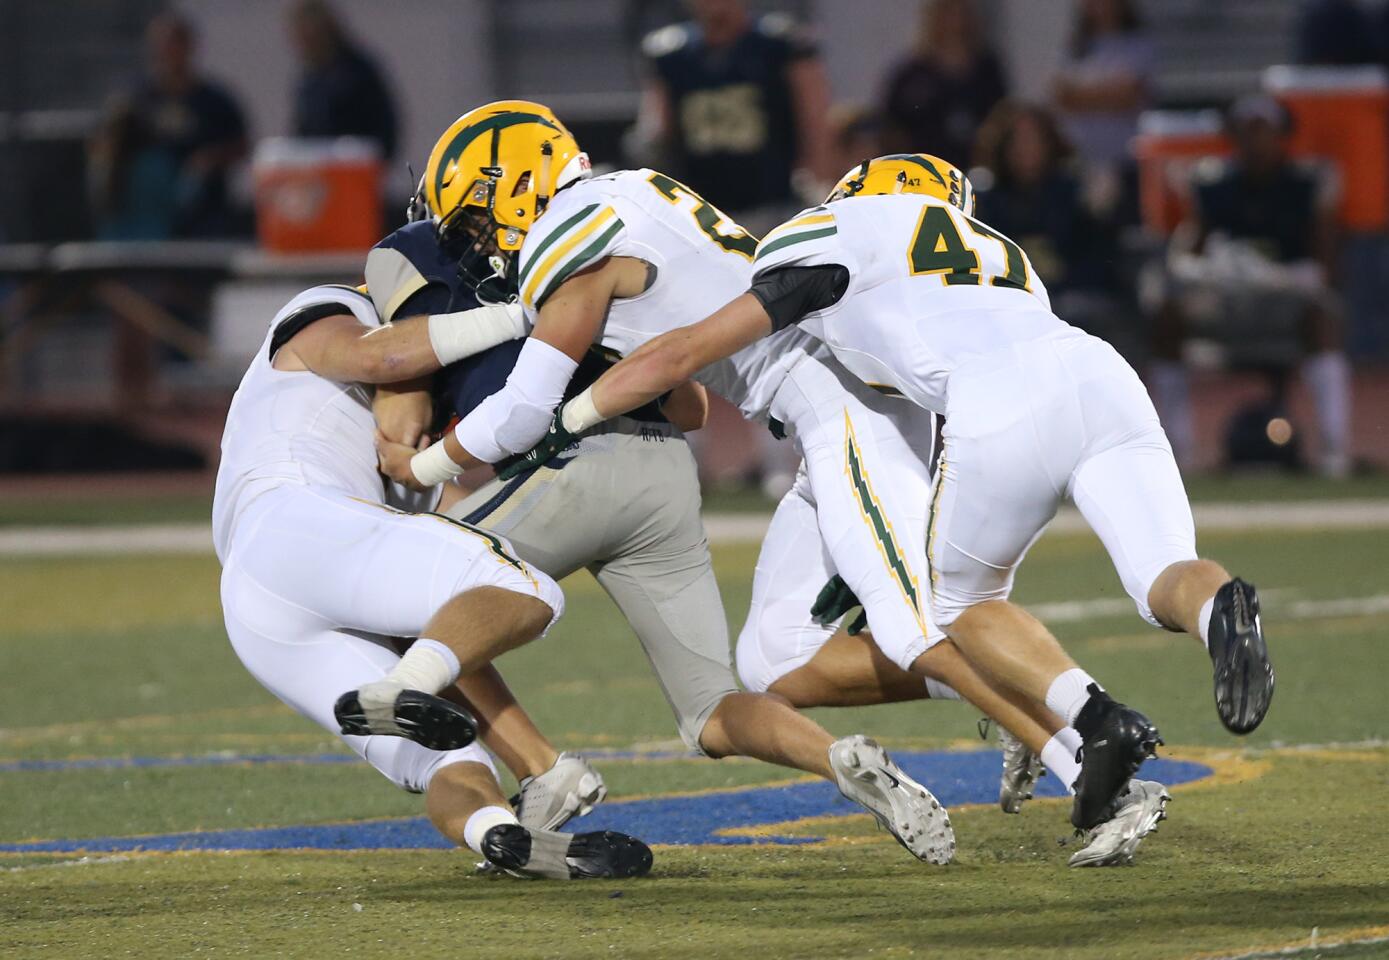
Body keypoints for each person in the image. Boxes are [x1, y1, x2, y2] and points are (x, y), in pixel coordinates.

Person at [379, 104, 1172, 863]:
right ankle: (1000, 694)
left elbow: (523, 409)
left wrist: (423, 465)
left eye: (477, 216)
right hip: (817, 422)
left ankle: (1093, 761)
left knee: (915, 623)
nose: (479, 240)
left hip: (842, 412)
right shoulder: (632, 196)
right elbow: (685, 397)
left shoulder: (570, 229)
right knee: (774, 659)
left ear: (517, 181)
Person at [506, 153, 1278, 834]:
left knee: (955, 610)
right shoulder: (1000, 250)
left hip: (987, 397)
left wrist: (568, 410)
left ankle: (1090, 722)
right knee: (1160, 572)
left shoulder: (835, 227)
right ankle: (1219, 610)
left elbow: (712, 341)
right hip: (1100, 372)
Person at [212, 279, 654, 879]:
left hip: (257, 607)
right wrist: (526, 316)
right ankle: (430, 707)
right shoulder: (340, 309)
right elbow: (384, 357)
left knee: (444, 760)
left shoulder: (402, 454)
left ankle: (504, 835)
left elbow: (448, 597)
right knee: (527, 589)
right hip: (292, 519)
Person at [1151, 95, 1351, 476]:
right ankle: (1177, 449)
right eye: (1247, 132)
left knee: (1322, 317)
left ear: (1281, 136)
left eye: (1264, 131)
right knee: (1167, 316)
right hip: (1227, 298)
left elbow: (1327, 266)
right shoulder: (1213, 185)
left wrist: (1283, 275)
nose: (1255, 142)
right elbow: (1183, 257)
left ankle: (1334, 449)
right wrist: (1213, 268)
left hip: (1285, 297)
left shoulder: (1305, 184)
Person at [634, 0, 833, 235]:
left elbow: (815, 121)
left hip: (774, 203)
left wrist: (818, 182)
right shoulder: (670, 55)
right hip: (701, 211)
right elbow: (657, 133)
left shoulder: (782, 46)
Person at [89, 11, 247, 239]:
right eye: (162, 44)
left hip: (205, 214)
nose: (168, 51)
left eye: (175, 43)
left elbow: (241, 145)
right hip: (150, 216)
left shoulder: (216, 100)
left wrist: (210, 160)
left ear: (190, 46)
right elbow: (105, 142)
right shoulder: (136, 99)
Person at [972, 101, 1120, 333]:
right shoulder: (984, 201)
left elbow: (1097, 260)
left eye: (1033, 140)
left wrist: (1057, 288)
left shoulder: (1076, 194)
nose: (1025, 149)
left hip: (1071, 297)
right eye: (1016, 141)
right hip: (1008, 302)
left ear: (1049, 143)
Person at [880, 0, 1008, 170]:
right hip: (921, 175)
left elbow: (1002, 119)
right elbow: (891, 128)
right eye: (948, 13)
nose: (954, 22)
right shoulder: (911, 75)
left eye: (960, 14)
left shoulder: (987, 71)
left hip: (977, 174)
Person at [1052, 0, 1152, 194]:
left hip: (1127, 164)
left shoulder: (1138, 43)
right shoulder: (1075, 46)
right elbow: (1062, 96)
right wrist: (1107, 93)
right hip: (1080, 162)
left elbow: (1127, 97)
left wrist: (1081, 96)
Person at [288, 0, 397, 159]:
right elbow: (302, 131)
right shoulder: (308, 82)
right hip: (315, 168)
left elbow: (384, 127)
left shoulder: (358, 73)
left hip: (355, 166)